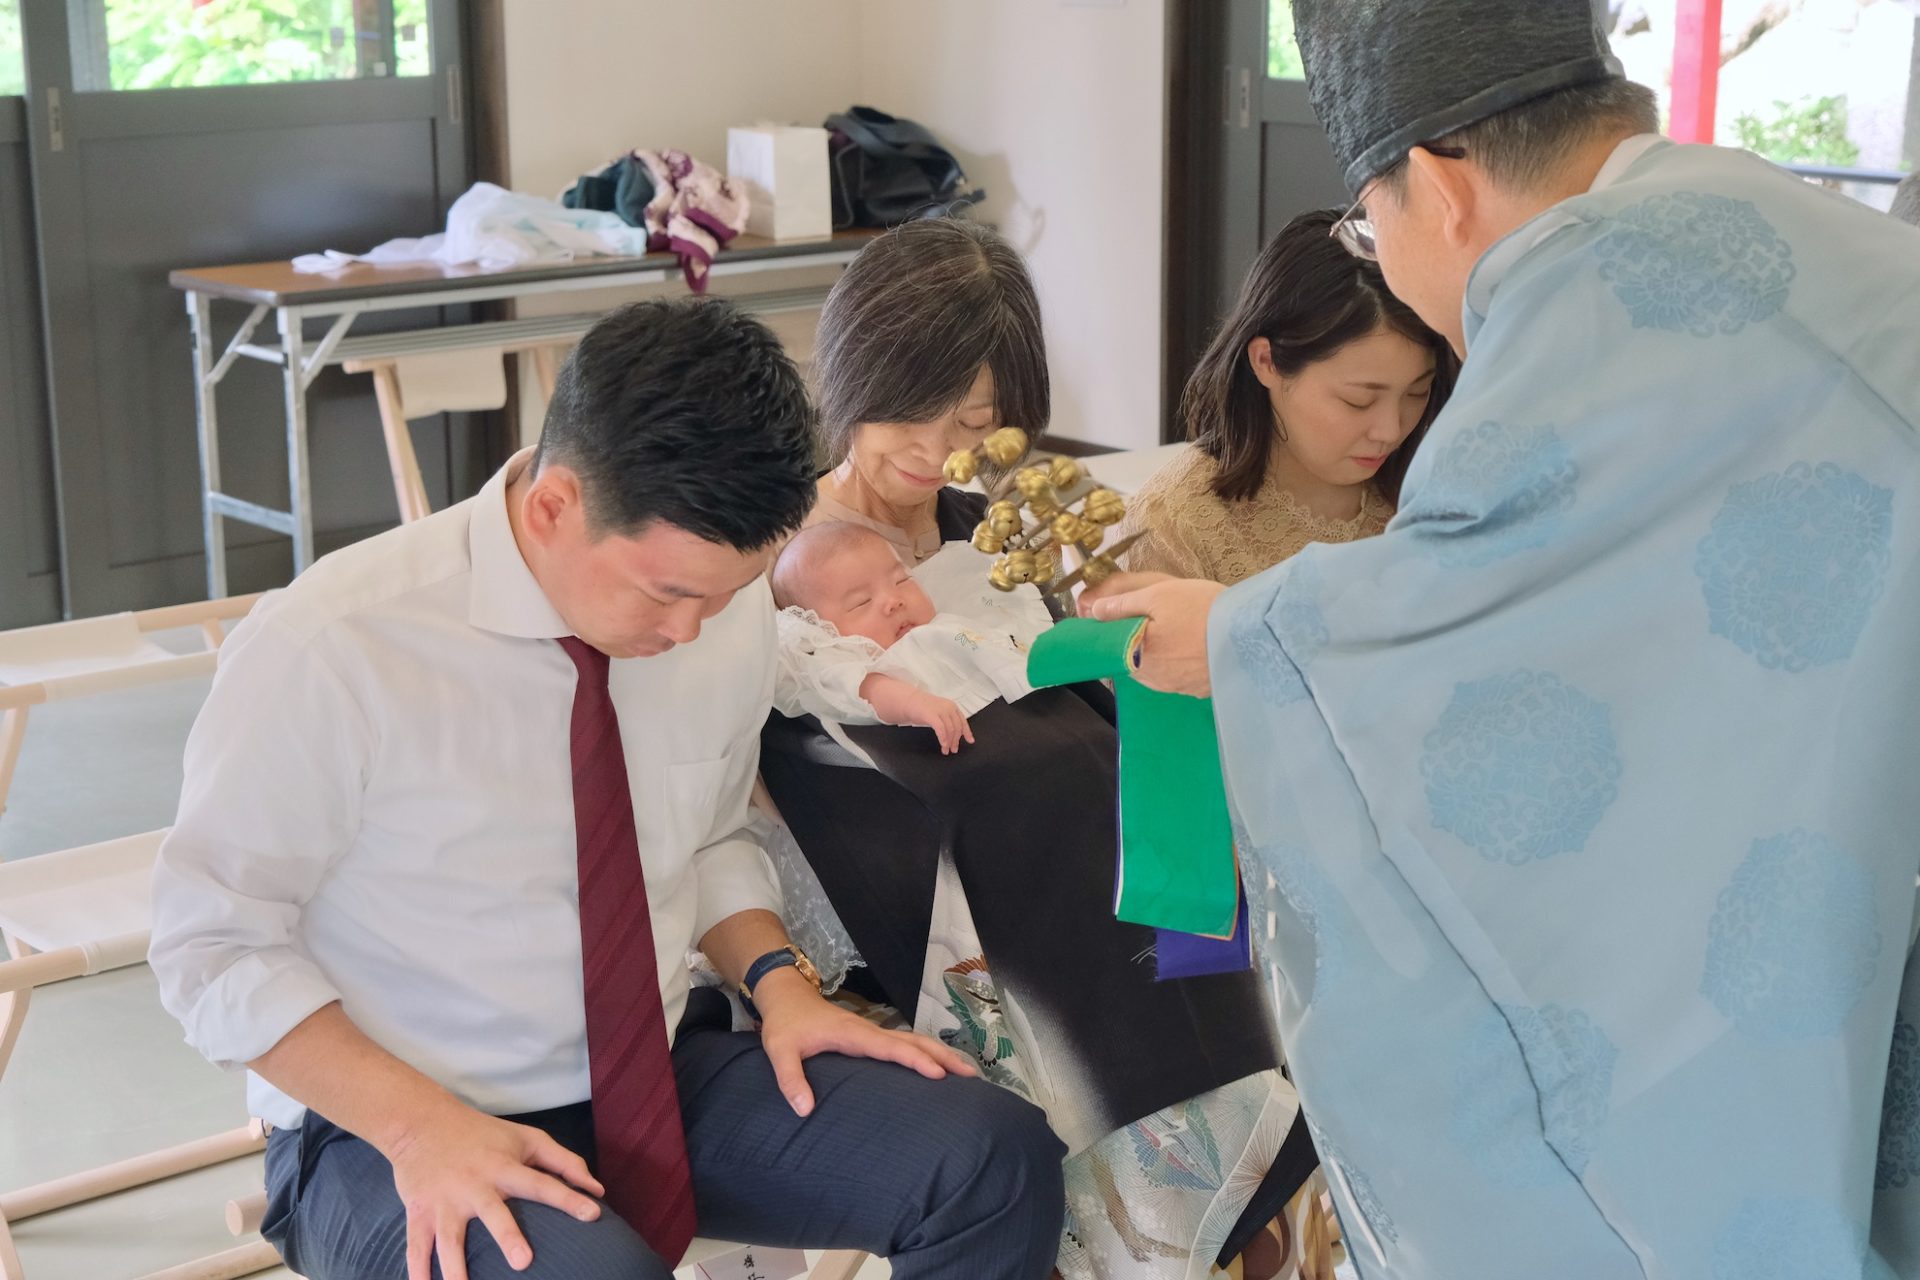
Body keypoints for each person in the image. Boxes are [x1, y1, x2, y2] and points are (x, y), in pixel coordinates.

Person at [1086, 2, 1920, 1276]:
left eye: (1371, 223)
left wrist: (1246, 634)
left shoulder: (1584, 289)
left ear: (1437, 182)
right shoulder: (1760, 216)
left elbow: (1475, 629)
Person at [148, 298, 1068, 1280]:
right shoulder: (337, 643)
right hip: (390, 1120)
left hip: (658, 1069)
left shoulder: (722, 611)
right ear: (553, 504)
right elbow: (212, 945)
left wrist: (783, 986)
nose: (689, 632)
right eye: (667, 592)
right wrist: (419, 1131)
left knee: (991, 1159)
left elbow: (709, 836)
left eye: (725, 593)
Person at [761, 217, 1317, 1280]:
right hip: (927, 893)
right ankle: (1162, 1201)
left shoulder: (1001, 534)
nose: (936, 452)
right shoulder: (785, 562)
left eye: (972, 420)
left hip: (1092, 871)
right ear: (852, 374)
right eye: (910, 417)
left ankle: (1223, 1179)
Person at [1117, 207, 1454, 584]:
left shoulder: (1438, 494)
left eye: (1417, 392)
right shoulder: (1175, 524)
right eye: (1358, 400)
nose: (1391, 430)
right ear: (1267, 362)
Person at [770, 521, 1050, 754]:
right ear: (820, 631)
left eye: (902, 579)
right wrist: (915, 703)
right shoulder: (851, 659)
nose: (894, 600)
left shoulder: (943, 618)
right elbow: (868, 690)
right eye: (861, 602)